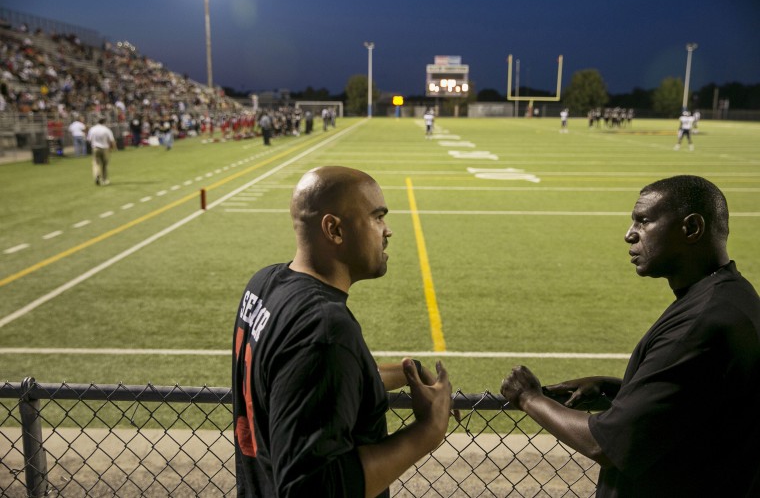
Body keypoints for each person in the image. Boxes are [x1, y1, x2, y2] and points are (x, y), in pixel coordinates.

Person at [500, 175, 760, 497]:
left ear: (691, 228)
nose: (629, 234)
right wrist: (618, 390)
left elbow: (604, 445)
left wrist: (529, 397)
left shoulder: (701, 323)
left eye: (643, 221)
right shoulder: (732, 294)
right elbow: (699, 401)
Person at [232, 166, 453, 498]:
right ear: (334, 229)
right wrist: (428, 432)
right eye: (377, 218)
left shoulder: (264, 284)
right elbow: (314, 488)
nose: (387, 230)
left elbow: (304, 386)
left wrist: (407, 373)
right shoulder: (325, 329)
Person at [86, 117, 115, 186]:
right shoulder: (106, 129)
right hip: (105, 148)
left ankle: (96, 175)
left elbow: (89, 139)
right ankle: (104, 179)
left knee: (96, 164)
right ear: (104, 122)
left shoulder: (92, 129)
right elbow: (112, 140)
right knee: (104, 165)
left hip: (95, 148)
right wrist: (112, 148)